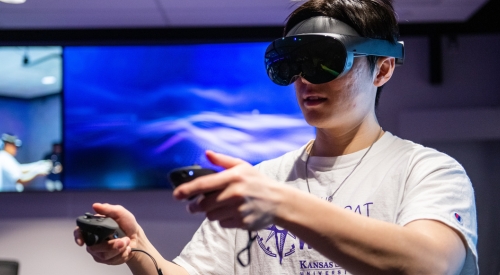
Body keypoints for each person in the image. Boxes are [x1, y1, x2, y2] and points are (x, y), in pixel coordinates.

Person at [74, 0, 478, 274]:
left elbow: (429, 264)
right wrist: (138, 247)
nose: (304, 79)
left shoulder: (428, 171)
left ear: (383, 69)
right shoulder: (262, 180)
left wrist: (279, 204)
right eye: (292, 64)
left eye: (326, 61)